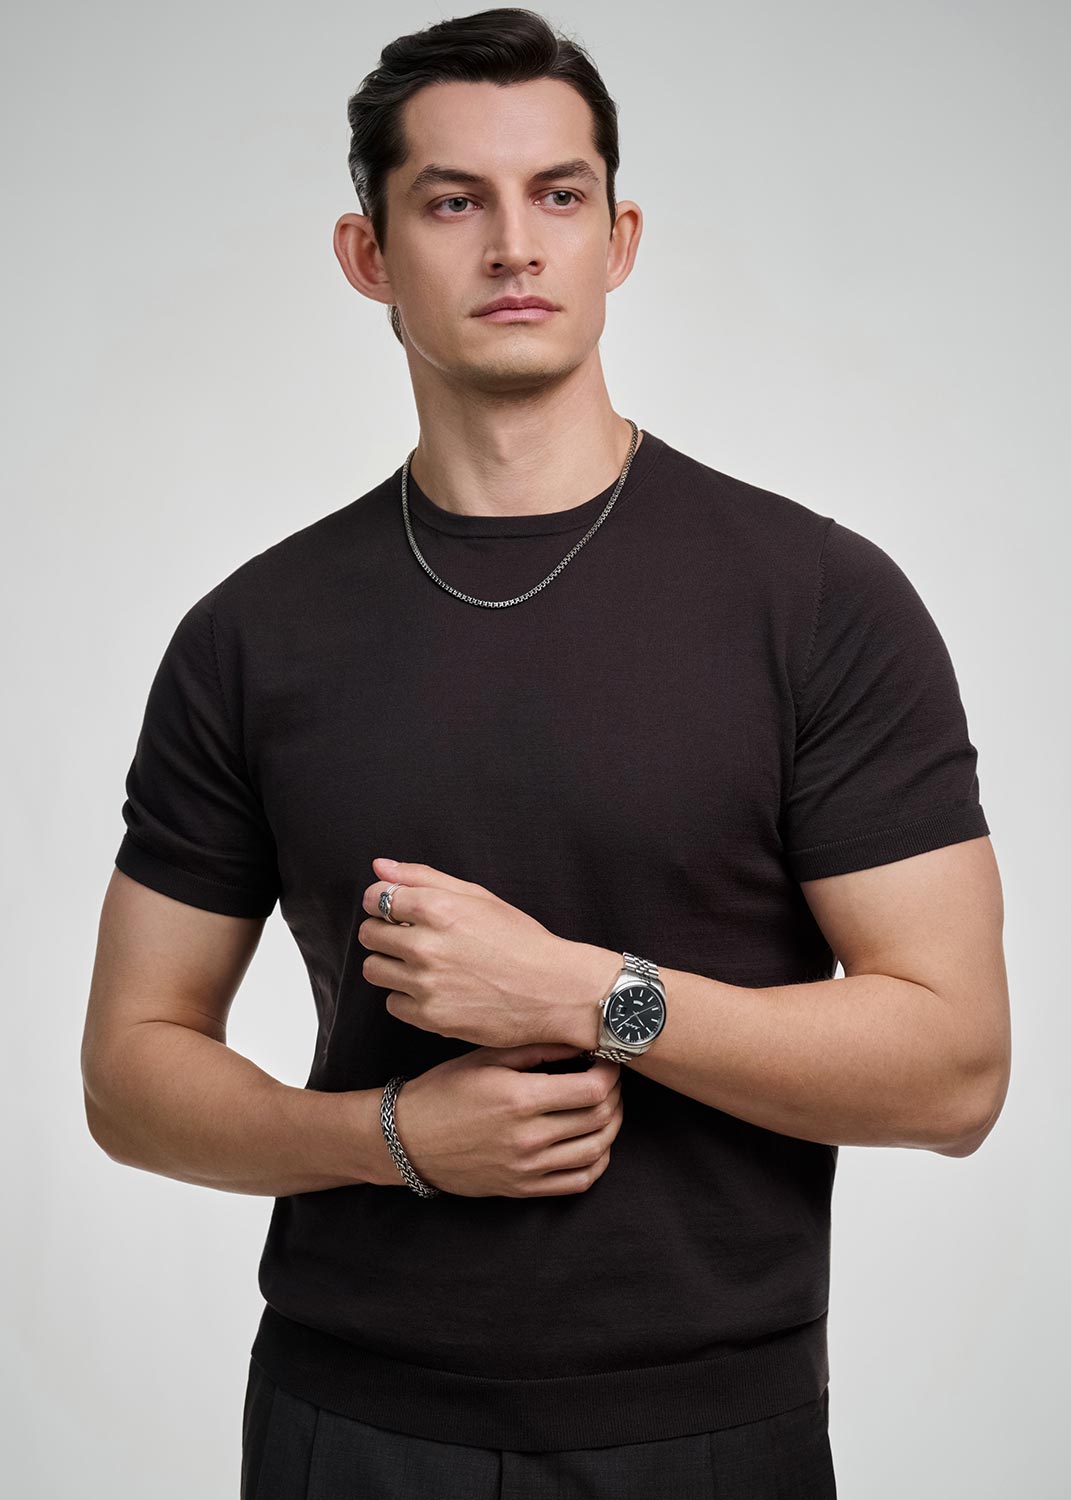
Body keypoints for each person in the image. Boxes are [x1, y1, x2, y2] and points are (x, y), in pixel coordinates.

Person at [81, 8, 1011, 1498]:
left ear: (618, 238)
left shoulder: (818, 601)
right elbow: (130, 1073)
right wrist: (391, 1138)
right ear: (369, 256)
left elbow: (956, 1071)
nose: (516, 245)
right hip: (349, 1425)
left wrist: (590, 995)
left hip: (710, 1433)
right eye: (455, 201)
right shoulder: (252, 635)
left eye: (559, 195)